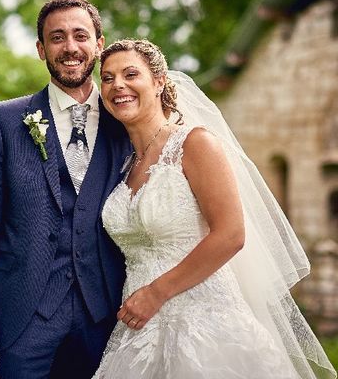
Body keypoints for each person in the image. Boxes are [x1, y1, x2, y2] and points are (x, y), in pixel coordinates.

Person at [93, 38, 336, 378]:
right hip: (137, 328)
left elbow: (231, 234)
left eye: (130, 74)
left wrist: (157, 293)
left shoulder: (195, 143)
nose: (117, 85)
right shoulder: (122, 164)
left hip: (204, 323)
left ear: (159, 81)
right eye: (107, 78)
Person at [0, 0, 131, 378]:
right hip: (20, 322)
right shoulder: (4, 121)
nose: (70, 47)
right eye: (57, 37)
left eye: (80, 35)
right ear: (41, 49)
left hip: (107, 318)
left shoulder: (128, 123)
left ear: (99, 45)